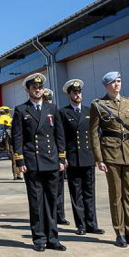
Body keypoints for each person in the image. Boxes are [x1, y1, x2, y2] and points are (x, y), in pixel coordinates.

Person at [11, 73, 67, 252]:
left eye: (40, 87)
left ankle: (53, 238)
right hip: (32, 162)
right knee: (36, 202)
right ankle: (39, 239)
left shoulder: (52, 108)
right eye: (34, 88)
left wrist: (62, 157)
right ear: (28, 90)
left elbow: (59, 135)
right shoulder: (21, 110)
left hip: (51, 161)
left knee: (52, 201)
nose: (38, 90)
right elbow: (17, 137)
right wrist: (19, 160)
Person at [90, 72, 129, 248]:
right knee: (116, 195)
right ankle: (119, 232)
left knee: (128, 195)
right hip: (111, 155)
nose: (117, 85)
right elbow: (94, 134)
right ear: (106, 85)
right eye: (113, 82)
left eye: (119, 81)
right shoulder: (98, 105)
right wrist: (99, 158)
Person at [59, 80, 104, 236]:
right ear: (69, 94)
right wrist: (62, 156)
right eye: (74, 92)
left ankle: (92, 224)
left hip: (88, 157)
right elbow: (61, 136)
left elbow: (96, 134)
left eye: (79, 92)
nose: (77, 95)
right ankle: (81, 225)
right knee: (76, 193)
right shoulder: (63, 113)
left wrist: (98, 156)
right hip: (73, 158)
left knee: (89, 192)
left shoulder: (89, 111)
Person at [44, 89, 70, 225]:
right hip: (44, 157)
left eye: (49, 100)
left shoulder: (56, 112)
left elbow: (61, 136)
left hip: (56, 156)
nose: (47, 102)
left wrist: (62, 156)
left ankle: (60, 214)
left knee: (59, 188)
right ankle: (50, 214)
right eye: (45, 99)